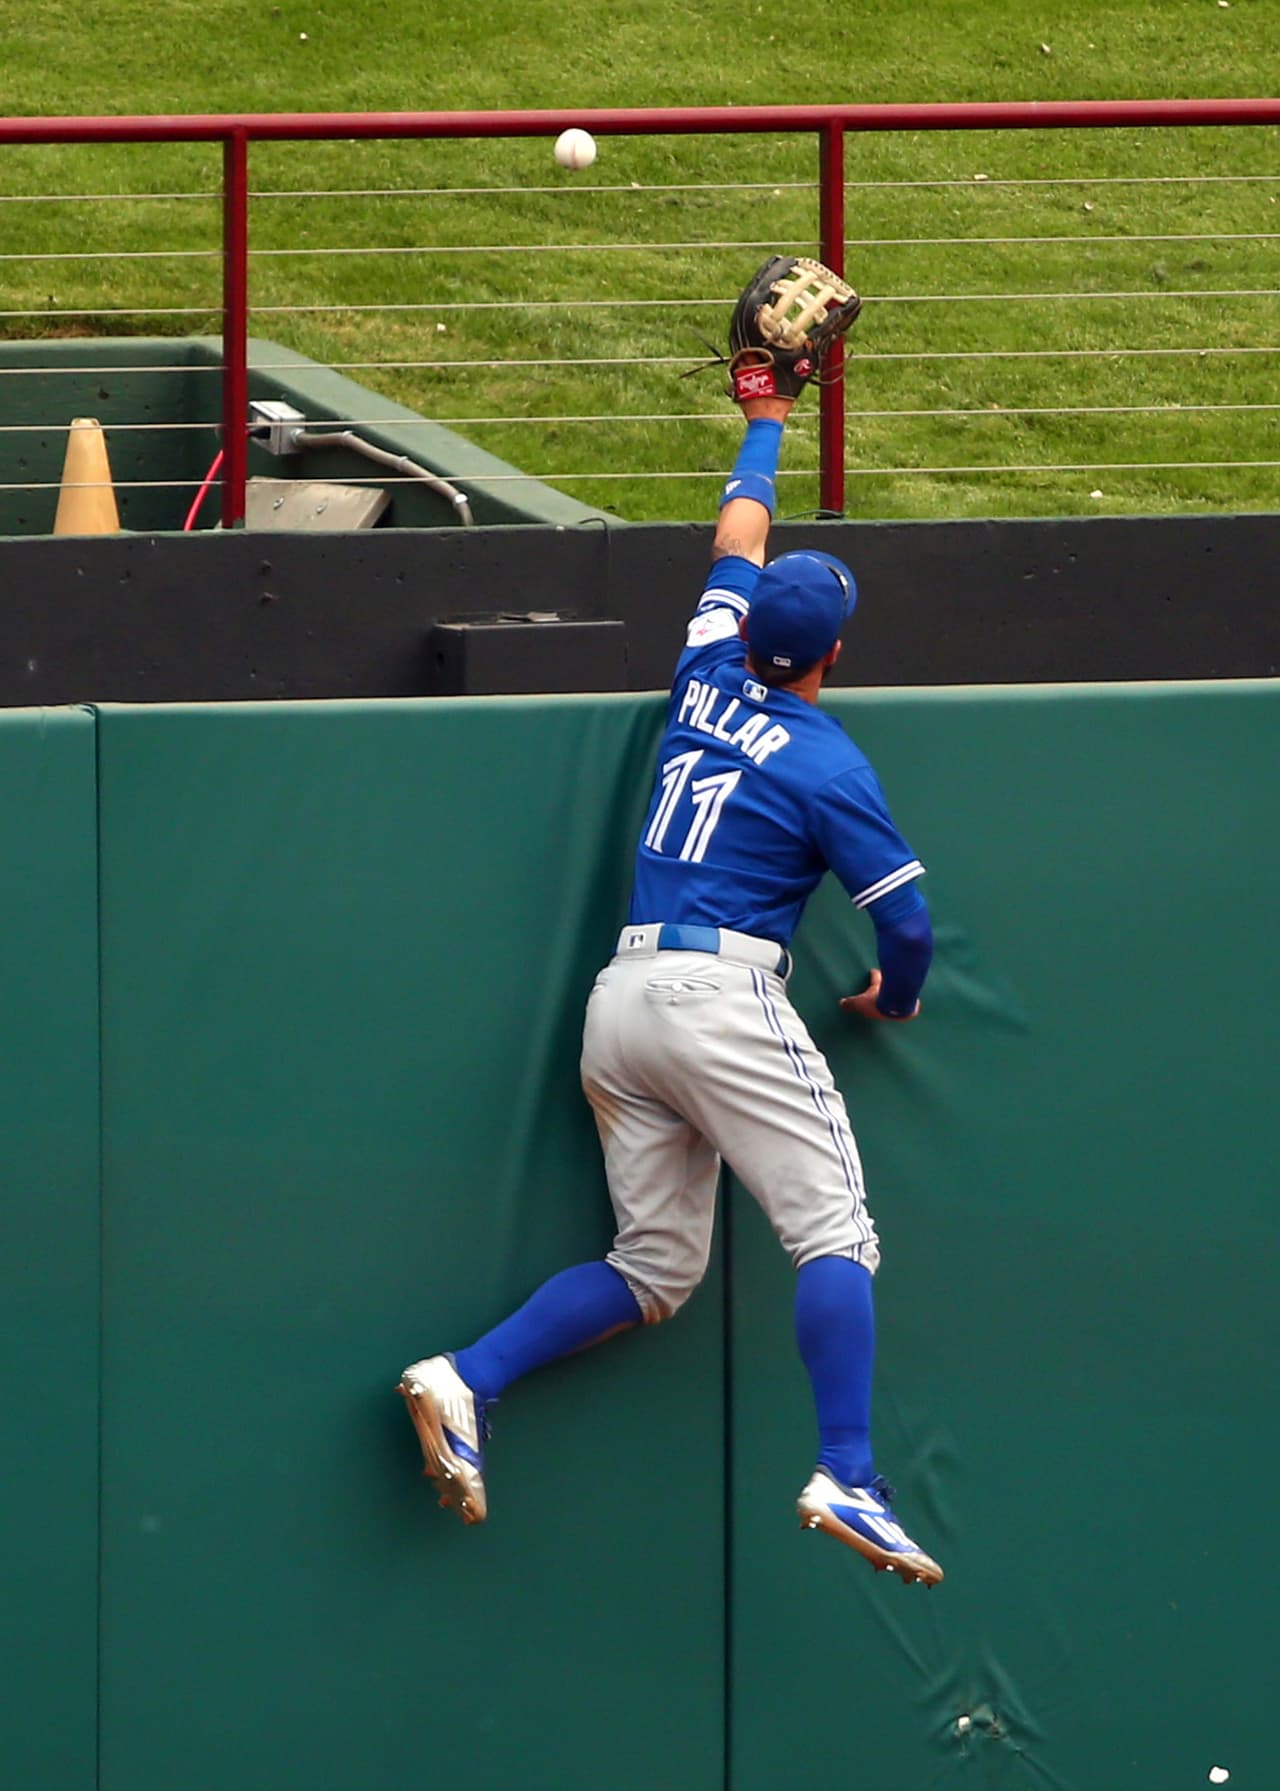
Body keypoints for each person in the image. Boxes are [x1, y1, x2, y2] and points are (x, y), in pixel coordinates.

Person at [399, 258, 942, 1587]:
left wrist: (763, 414)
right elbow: (909, 923)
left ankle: (465, 1377)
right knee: (837, 1235)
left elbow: (736, 542)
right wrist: (898, 994)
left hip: (620, 1009)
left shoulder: (705, 665)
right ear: (830, 657)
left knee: (656, 1267)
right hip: (718, 1005)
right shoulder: (826, 759)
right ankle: (851, 1473)